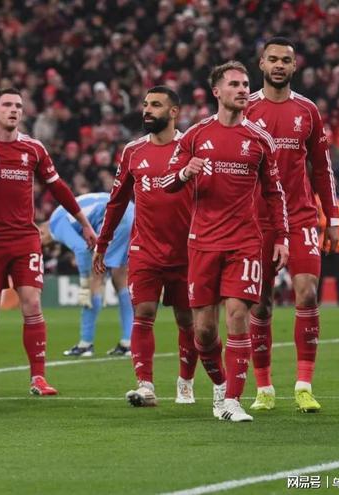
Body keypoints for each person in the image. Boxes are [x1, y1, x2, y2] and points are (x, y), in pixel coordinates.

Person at [162, 61, 289, 422]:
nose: (242, 89)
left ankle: (233, 400)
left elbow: (274, 193)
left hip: (245, 242)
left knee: (237, 316)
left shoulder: (260, 139)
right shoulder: (195, 135)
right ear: (216, 92)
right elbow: (164, 183)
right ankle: (220, 384)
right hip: (203, 243)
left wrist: (282, 237)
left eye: (246, 84)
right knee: (203, 330)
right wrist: (185, 173)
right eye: (234, 84)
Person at [0, 88, 96, 396]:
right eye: (7, 105)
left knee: (32, 303)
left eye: (18, 106)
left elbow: (58, 188)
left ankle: (38, 378)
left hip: (25, 238)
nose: (14, 110)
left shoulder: (34, 149)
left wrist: (85, 224)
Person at [245, 37, 339, 412]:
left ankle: (303, 385)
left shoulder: (308, 111)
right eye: (273, 59)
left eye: (286, 60)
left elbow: (322, 168)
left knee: (308, 293)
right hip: (257, 221)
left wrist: (332, 216)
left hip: (300, 216)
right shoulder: (246, 108)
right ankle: (264, 388)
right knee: (260, 304)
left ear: (294, 66)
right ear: (262, 64)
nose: (279, 65)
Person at [93, 86, 200, 407]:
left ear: (173, 112)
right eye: (145, 104)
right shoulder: (132, 151)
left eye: (155, 105)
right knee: (144, 312)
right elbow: (116, 201)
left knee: (187, 320)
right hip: (145, 249)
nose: (147, 110)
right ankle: (145, 385)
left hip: (186, 251)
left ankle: (185, 383)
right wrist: (102, 242)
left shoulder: (190, 147)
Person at [40, 192, 134, 357]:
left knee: (92, 284)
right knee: (121, 279)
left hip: (112, 216)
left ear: (41, 231)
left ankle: (85, 344)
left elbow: (81, 249)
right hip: (131, 211)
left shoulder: (55, 225)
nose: (42, 245)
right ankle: (128, 342)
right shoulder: (61, 212)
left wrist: (85, 280)